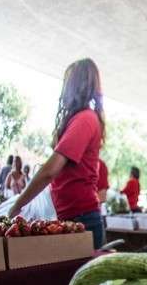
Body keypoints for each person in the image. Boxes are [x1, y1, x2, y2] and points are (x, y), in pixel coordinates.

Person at [9, 58, 106, 248]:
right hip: (73, 216)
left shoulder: (85, 119)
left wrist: (17, 206)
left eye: (67, 82)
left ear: (76, 86)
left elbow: (49, 171)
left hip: (82, 218)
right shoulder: (80, 118)